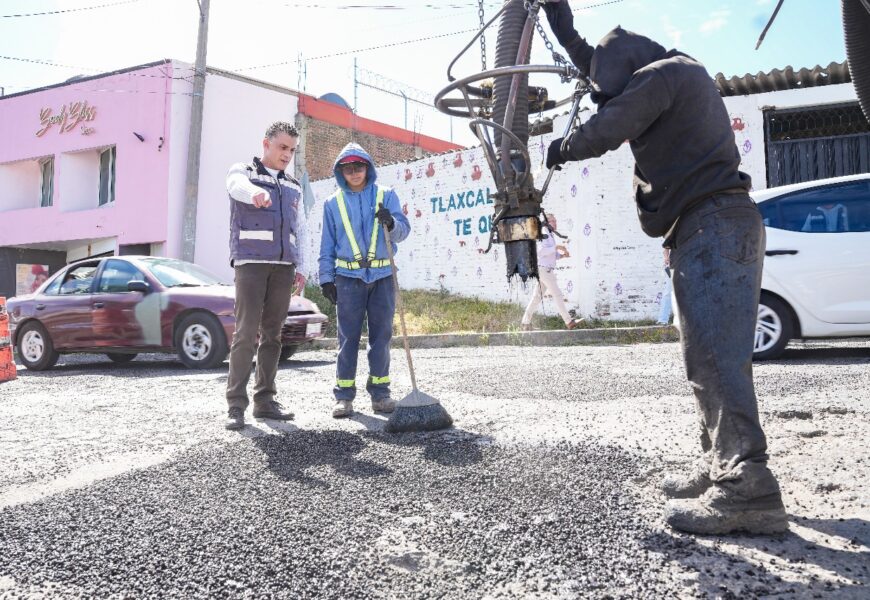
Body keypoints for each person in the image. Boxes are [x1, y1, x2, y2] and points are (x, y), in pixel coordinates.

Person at [542, 0, 787, 535]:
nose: (613, 96)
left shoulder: (665, 74)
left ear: (629, 69)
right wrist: (556, 14)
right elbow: (592, 62)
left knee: (716, 361)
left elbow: (611, 124)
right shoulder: (661, 71)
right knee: (705, 359)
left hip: (713, 225)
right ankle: (721, 465)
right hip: (708, 226)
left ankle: (748, 487)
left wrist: (564, 147)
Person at [224, 121, 308, 431]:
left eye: (292, 150)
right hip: (251, 264)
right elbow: (234, 185)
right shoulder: (244, 172)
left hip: (284, 267)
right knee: (246, 334)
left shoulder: (293, 185)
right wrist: (254, 193)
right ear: (266, 144)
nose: (287, 155)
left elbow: (301, 229)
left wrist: (301, 267)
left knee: (273, 335)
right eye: (283, 147)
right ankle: (236, 405)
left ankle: (265, 401)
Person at [318, 143, 411, 419]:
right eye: (348, 168)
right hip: (347, 280)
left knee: (381, 337)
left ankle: (380, 395)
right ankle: (344, 396)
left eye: (359, 166)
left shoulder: (386, 195)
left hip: (383, 277)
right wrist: (326, 279)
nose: (354, 172)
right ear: (340, 172)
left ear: (368, 167)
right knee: (347, 339)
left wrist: (391, 223)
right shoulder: (332, 203)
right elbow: (327, 245)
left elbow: (403, 231)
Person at [521, 213, 581, 330]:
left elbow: (550, 254)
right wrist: (557, 247)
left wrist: (562, 256)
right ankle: (569, 321)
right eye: (553, 221)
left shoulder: (549, 234)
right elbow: (541, 251)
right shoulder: (544, 233)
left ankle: (525, 323)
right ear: (547, 222)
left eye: (555, 221)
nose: (555, 223)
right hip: (545, 270)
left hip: (543, 269)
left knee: (536, 297)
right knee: (557, 294)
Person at [657, 248, 672, 325]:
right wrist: (666, 258)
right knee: (668, 292)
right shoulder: (673, 239)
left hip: (690, 267)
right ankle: (662, 320)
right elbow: (666, 249)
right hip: (673, 266)